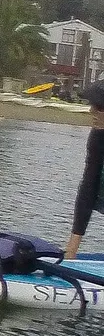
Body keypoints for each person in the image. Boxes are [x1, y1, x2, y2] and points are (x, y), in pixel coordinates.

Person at [67, 82, 104, 261]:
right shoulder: (98, 136)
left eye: (99, 107)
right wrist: (71, 253)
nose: (92, 111)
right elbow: (88, 188)